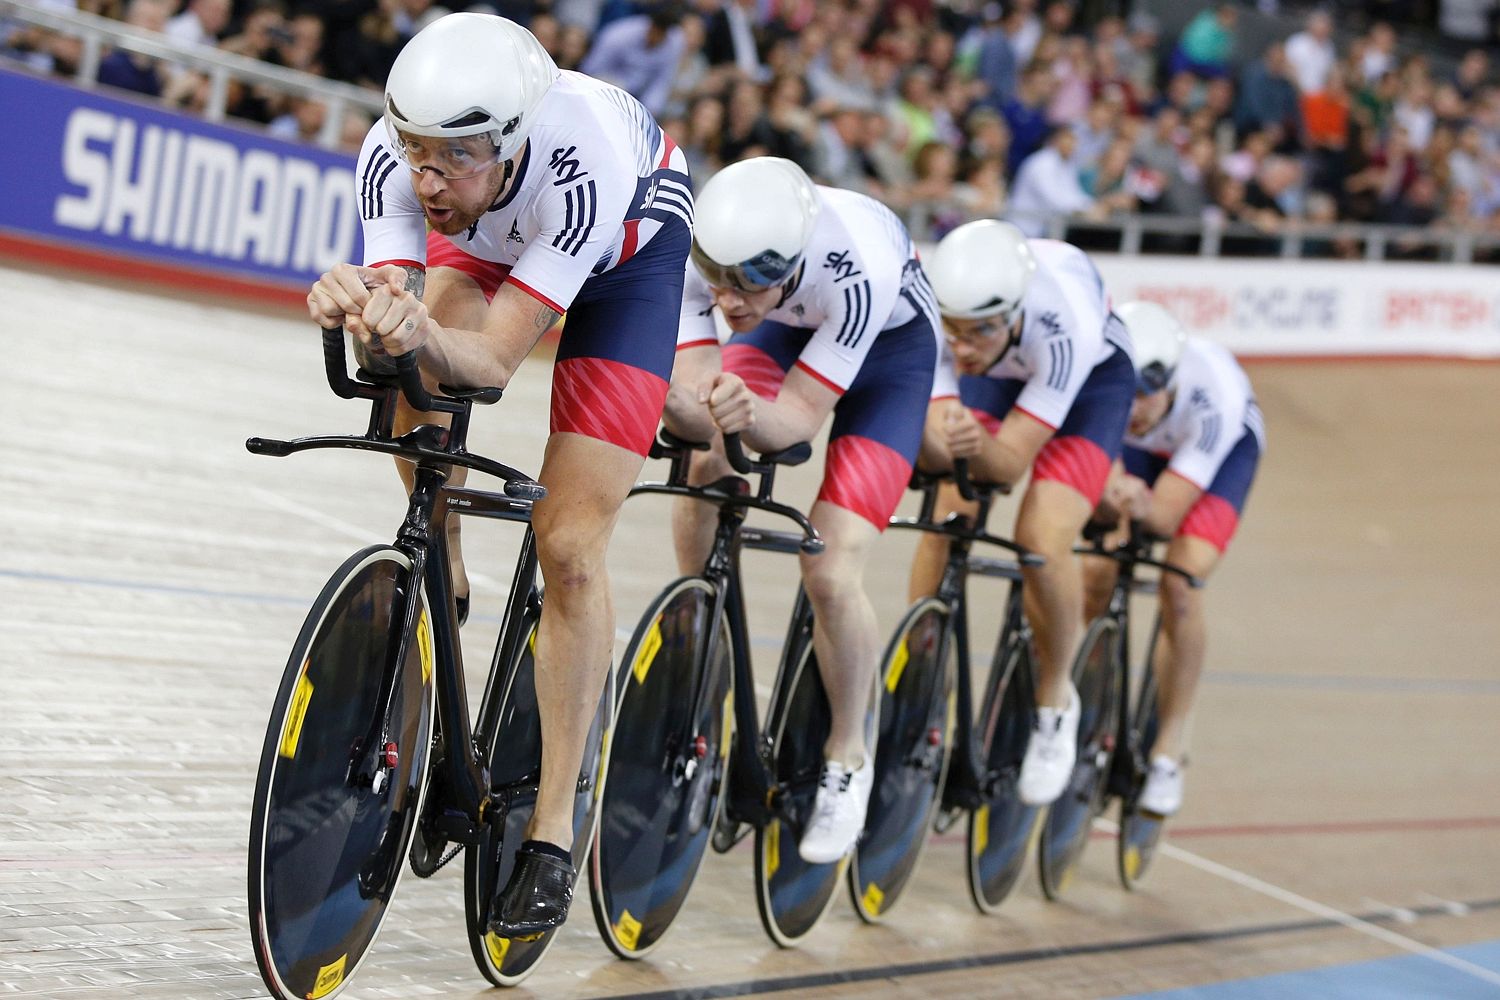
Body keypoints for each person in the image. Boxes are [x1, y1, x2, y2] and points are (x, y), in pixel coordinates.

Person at [303, 12, 693, 936]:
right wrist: (356, 302)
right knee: (409, 371)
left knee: (567, 541)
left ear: (509, 146)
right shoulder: (400, 162)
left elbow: (490, 362)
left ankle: (554, 831)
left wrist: (425, 333)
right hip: (496, 237)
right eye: (415, 157)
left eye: (450, 162)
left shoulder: (580, 162)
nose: (425, 181)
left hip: (627, 258)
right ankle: (445, 562)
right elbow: (401, 322)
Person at [667, 156, 940, 864]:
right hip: (785, 331)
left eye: (749, 285)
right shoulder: (711, 257)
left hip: (892, 359)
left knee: (829, 564)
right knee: (707, 459)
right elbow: (699, 391)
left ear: (791, 265)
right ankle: (700, 626)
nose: (728, 302)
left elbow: (792, 423)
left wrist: (745, 410)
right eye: (720, 285)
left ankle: (849, 752)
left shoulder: (856, 268)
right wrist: (700, 404)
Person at [909, 220, 1134, 808]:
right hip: (1001, 378)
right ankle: (917, 666)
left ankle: (1056, 699)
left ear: (1010, 314)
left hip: (1090, 391)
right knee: (949, 512)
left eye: (976, 332)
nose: (960, 347)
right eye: (951, 331)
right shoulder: (947, 315)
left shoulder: (1067, 328)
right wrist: (940, 436)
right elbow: (943, 443)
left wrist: (961, 439)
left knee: (1041, 538)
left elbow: (1006, 467)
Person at [1086, 302, 1265, 816]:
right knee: (1096, 564)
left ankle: (1167, 746)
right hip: (1140, 454)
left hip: (1217, 455)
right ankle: (1083, 683)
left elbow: (1162, 519)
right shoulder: (1103, 381)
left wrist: (1141, 503)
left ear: (1172, 382)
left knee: (1180, 585)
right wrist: (1113, 492)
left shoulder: (1215, 397)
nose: (1136, 406)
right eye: (1128, 394)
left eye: (1147, 394)